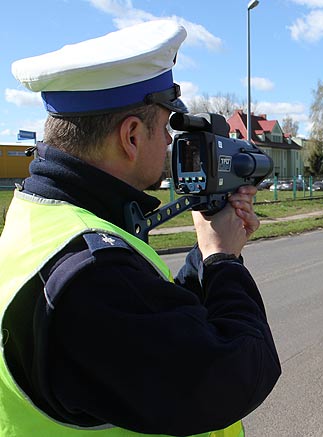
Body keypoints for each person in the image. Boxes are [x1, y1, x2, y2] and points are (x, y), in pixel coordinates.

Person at [0, 20, 280, 436]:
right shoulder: (91, 275)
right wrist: (224, 262)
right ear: (131, 135)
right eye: (165, 126)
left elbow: (160, 317)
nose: (170, 142)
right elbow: (233, 374)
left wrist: (206, 254)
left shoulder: (42, 220)